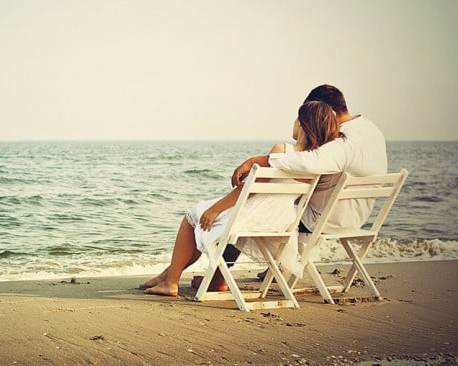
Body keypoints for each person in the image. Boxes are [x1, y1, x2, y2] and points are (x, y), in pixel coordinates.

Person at [194, 84, 387, 288]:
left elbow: (306, 161)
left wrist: (261, 160)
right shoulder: (370, 130)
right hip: (357, 217)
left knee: (252, 210)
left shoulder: (342, 142)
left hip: (324, 220)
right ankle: (279, 268)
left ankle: (218, 278)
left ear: (324, 110)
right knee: (282, 198)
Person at [141, 101, 342, 297]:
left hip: (254, 217)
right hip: (279, 222)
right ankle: (168, 276)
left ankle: (171, 282)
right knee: (204, 220)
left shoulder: (283, 150)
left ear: (302, 123)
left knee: (193, 216)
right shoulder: (317, 162)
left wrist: (216, 209)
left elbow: (250, 190)